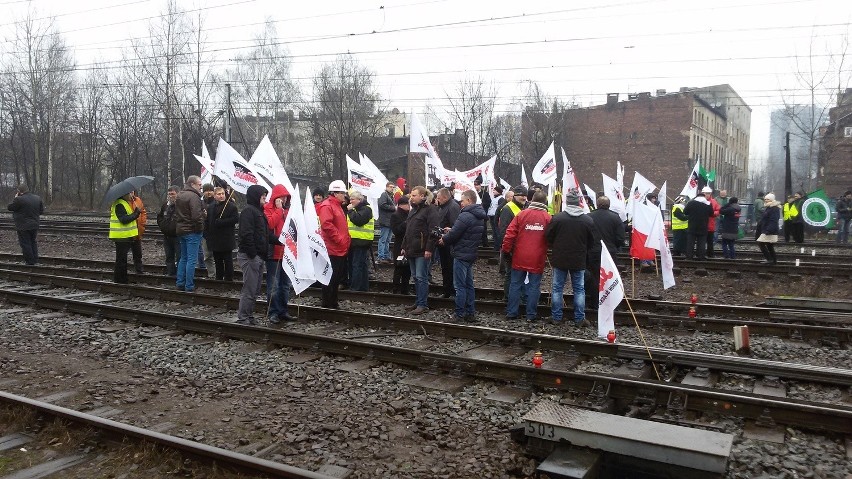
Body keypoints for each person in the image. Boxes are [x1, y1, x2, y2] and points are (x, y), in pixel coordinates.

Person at [545, 192, 596, 327]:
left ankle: (556, 317)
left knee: (557, 288)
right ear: (579, 202)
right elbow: (591, 242)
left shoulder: (557, 218)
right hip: (579, 259)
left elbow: (549, 236)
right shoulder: (587, 220)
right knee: (579, 289)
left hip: (560, 258)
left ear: (566, 202)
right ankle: (579, 319)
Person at [502, 190, 551, 322]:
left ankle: (512, 312)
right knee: (534, 286)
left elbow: (509, 234)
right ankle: (531, 315)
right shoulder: (548, 218)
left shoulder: (521, 215)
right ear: (545, 202)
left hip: (519, 256)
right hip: (537, 257)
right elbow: (551, 238)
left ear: (532, 200)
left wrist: (506, 251)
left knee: (515, 284)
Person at [438, 190, 486, 322]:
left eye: (462, 201)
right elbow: (466, 232)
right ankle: (470, 312)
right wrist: (452, 230)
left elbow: (454, 235)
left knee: (460, 286)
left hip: (461, 254)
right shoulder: (479, 215)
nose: (460, 203)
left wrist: (444, 238)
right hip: (471, 254)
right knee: (469, 285)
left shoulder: (465, 215)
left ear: (469, 201)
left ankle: (459, 314)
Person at [401, 185, 440, 315]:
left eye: (414, 195)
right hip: (412, 249)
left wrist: (429, 248)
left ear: (422, 196)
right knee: (416, 277)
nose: (411, 198)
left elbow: (433, 231)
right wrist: (403, 246)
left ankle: (423, 304)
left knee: (421, 277)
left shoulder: (430, 210)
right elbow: (409, 230)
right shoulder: (414, 210)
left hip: (422, 250)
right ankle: (418, 302)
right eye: (411, 195)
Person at [236, 184, 269, 325]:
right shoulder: (249, 212)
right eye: (263, 196)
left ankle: (249, 315)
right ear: (256, 196)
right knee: (250, 288)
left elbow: (264, 234)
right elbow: (246, 234)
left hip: (258, 256)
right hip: (250, 256)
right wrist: (253, 254)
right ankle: (243, 317)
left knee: (255, 289)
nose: (265, 199)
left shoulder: (259, 212)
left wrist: (280, 241)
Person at [317, 180, 351, 309]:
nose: (345, 196)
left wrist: (345, 240)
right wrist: (340, 239)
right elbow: (327, 225)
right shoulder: (328, 206)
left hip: (339, 248)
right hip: (333, 248)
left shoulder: (336, 206)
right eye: (342, 193)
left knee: (336, 277)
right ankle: (328, 303)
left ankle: (332, 302)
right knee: (331, 277)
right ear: (335, 193)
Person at [263, 184, 295, 323]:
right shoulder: (267, 209)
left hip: (286, 253)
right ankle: (273, 312)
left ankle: (283, 310)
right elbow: (270, 224)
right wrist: (278, 210)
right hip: (273, 253)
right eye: (281, 197)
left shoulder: (289, 211)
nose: (283, 199)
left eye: (285, 197)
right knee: (274, 285)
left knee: (285, 285)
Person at [175, 176, 206, 292]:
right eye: (199, 185)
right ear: (193, 184)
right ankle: (189, 286)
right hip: (192, 231)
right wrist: (200, 228)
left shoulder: (180, 195)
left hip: (181, 230)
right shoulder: (194, 197)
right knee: (192, 260)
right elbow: (196, 216)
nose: (201, 187)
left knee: (183, 258)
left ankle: (180, 283)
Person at [498, 186, 527, 299]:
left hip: (520, 248)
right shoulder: (507, 209)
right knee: (510, 274)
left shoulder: (523, 207)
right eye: (521, 195)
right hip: (512, 248)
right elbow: (504, 230)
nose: (524, 197)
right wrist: (507, 249)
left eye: (525, 195)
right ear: (515, 196)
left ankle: (515, 297)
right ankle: (508, 297)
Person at [205, 186, 238, 281]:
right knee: (217, 259)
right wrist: (206, 233)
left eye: (222, 194)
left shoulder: (231, 206)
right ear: (214, 196)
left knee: (228, 260)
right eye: (219, 194)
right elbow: (207, 221)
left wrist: (222, 222)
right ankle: (219, 278)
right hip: (214, 238)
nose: (221, 196)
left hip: (226, 238)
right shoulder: (211, 207)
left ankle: (229, 278)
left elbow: (235, 219)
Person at [7, 184, 43, 265]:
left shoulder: (19, 199)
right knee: (33, 242)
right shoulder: (37, 198)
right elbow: (41, 211)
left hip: (23, 225)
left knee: (25, 243)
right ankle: (35, 260)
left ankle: (29, 262)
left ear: (19, 191)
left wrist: (15, 198)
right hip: (35, 224)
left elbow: (10, 207)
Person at [109, 192, 141, 283]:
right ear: (124, 194)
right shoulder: (120, 204)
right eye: (130, 193)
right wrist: (135, 214)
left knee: (122, 259)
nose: (132, 195)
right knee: (121, 260)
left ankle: (122, 279)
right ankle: (120, 279)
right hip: (121, 236)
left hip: (124, 236)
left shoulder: (123, 203)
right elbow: (123, 219)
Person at [346, 189, 374, 292]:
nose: (351, 201)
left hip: (361, 240)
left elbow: (359, 221)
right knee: (361, 264)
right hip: (356, 241)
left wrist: (350, 211)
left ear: (359, 199)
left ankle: (355, 288)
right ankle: (362, 287)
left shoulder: (366, 209)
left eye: (352, 199)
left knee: (357, 265)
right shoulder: (360, 209)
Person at [434, 188, 460, 298]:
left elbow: (455, 226)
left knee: (449, 267)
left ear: (445, 197)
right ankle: (447, 290)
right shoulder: (443, 207)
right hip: (442, 242)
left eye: (439, 198)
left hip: (448, 243)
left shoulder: (452, 207)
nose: (437, 200)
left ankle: (451, 291)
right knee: (445, 267)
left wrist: (446, 237)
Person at [589, 196, 625, 261]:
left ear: (597, 205)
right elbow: (620, 237)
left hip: (593, 251)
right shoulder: (615, 217)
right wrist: (614, 246)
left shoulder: (589, 217)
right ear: (609, 205)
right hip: (610, 250)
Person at [684, 186, 714, 260]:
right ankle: (701, 256)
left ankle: (689, 256)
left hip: (692, 225)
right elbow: (711, 214)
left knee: (690, 243)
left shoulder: (691, 203)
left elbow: (685, 212)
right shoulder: (708, 204)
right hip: (703, 226)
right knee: (701, 243)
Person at [156, 186, 181, 276]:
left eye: (173, 194)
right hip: (166, 236)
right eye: (169, 194)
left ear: (177, 194)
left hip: (177, 235)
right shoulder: (165, 205)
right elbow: (159, 217)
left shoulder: (181, 205)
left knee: (179, 257)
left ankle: (179, 274)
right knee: (169, 256)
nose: (171, 196)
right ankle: (171, 273)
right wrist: (163, 226)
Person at [390, 195, 411, 295]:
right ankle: (395, 289)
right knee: (399, 267)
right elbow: (396, 231)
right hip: (399, 245)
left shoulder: (409, 214)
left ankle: (405, 289)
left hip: (408, 245)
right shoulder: (395, 215)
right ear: (403, 205)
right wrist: (406, 224)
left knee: (407, 268)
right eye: (408, 204)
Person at [756, 193, 782, 264]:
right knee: (769, 245)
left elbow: (773, 220)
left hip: (769, 230)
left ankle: (769, 259)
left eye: (768, 199)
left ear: (772, 200)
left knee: (761, 243)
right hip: (768, 229)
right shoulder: (769, 207)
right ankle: (773, 260)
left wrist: (768, 230)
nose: (766, 200)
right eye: (765, 199)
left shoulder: (774, 208)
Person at [197, 183, 216, 276]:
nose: (208, 193)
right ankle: (211, 274)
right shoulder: (201, 203)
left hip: (216, 233)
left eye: (210, 190)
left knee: (217, 255)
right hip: (205, 232)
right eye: (206, 190)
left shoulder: (217, 203)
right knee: (207, 255)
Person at [376, 182, 396, 264]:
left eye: (393, 187)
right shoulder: (384, 195)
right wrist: (393, 208)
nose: (392, 188)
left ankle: (386, 255)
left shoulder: (390, 196)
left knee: (387, 240)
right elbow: (382, 205)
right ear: (387, 187)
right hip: (385, 221)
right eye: (391, 187)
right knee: (383, 239)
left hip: (389, 221)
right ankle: (381, 256)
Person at [128, 190, 147, 273]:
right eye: (129, 191)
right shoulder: (123, 202)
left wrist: (142, 223)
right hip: (128, 232)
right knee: (123, 253)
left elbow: (143, 211)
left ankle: (139, 270)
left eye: (132, 191)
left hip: (137, 231)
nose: (131, 192)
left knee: (138, 253)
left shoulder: (138, 200)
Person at [473, 176, 491, 247]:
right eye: (475, 185)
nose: (476, 186)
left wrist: (483, 204)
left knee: (484, 229)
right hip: (474, 215)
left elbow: (489, 202)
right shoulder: (473, 194)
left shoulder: (485, 193)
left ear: (480, 185)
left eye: (477, 185)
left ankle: (485, 243)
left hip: (483, 214)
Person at [488, 184, 505, 251]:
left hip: (496, 217)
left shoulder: (501, 199)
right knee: (494, 232)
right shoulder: (494, 198)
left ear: (498, 191)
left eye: (495, 190)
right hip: (492, 216)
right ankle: (496, 245)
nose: (493, 191)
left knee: (497, 232)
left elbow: (500, 209)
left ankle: (498, 246)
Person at [705, 190, 720, 258]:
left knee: (710, 241)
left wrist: (713, 214)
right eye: (706, 193)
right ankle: (702, 254)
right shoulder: (702, 201)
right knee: (701, 241)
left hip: (710, 224)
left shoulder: (713, 201)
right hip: (703, 224)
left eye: (708, 193)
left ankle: (710, 254)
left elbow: (718, 210)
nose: (707, 195)